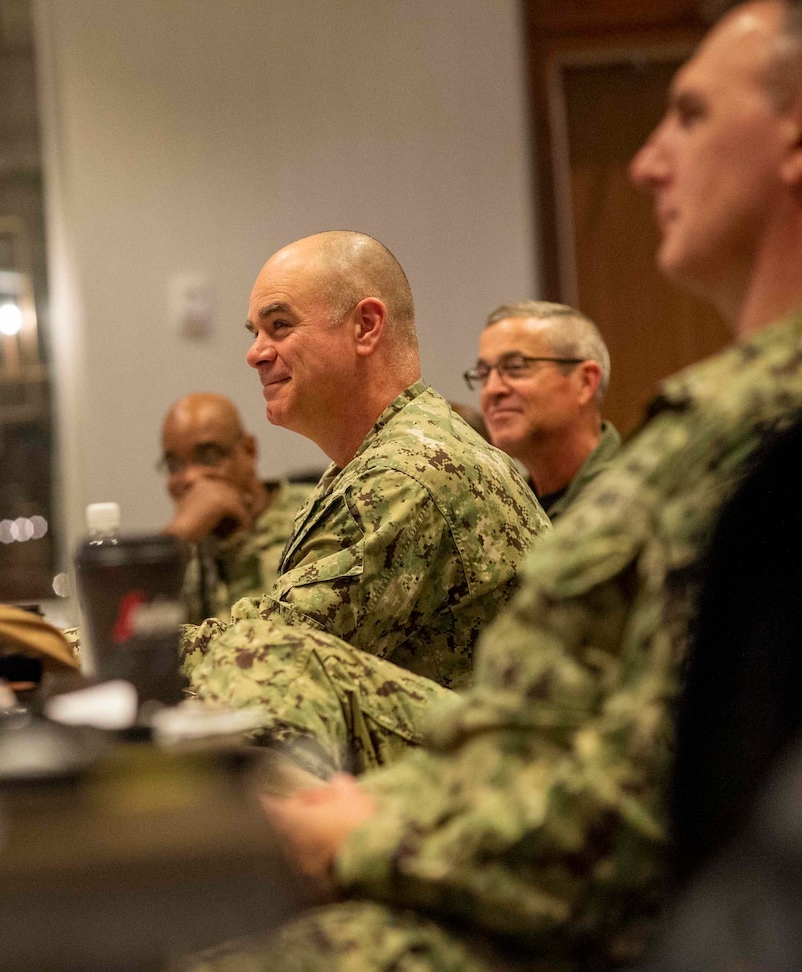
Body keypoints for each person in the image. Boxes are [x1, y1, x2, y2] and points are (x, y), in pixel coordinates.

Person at [177, 1, 802, 968]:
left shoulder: (763, 435)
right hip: (499, 807)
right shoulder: (731, 410)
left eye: (690, 115)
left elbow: (637, 793)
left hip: (577, 895)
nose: (646, 162)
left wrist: (359, 831)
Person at [181, 232, 548, 771]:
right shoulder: (386, 453)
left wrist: (76, 650)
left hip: (493, 807)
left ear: (366, 327)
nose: (255, 353)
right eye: (255, 332)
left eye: (280, 326)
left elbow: (267, 659)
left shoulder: (405, 476)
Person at [159, 393, 318, 620]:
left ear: (248, 451)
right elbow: (124, 631)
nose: (190, 477)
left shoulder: (314, 517)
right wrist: (178, 537)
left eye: (208, 456)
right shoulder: (187, 546)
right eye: (174, 464)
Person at [469, 301, 622, 519]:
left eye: (515, 367)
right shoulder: (502, 510)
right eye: (484, 373)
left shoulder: (638, 494)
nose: (492, 389)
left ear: (585, 382)